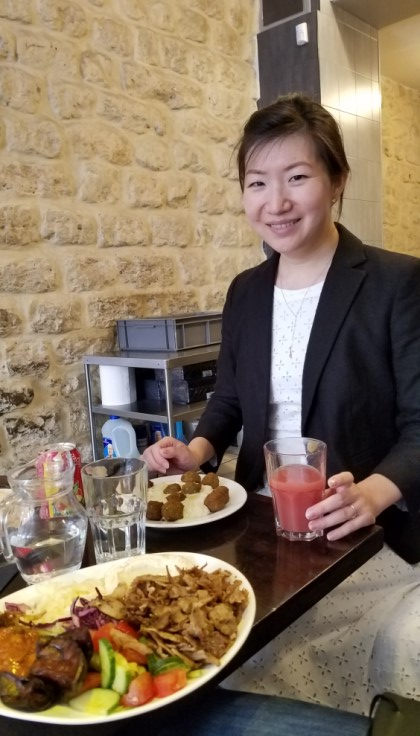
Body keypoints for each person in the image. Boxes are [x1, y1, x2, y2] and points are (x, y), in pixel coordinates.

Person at [143, 93, 420, 715]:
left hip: (356, 535)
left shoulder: (397, 282)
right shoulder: (245, 291)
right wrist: (197, 451)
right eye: (257, 182)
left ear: (338, 181)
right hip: (257, 528)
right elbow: (230, 397)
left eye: (297, 177)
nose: (276, 202)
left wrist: (373, 494)